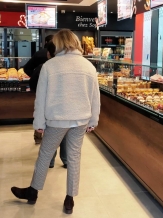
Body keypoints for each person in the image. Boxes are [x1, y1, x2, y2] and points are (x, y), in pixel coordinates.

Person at [11, 29, 100, 215]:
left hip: (57, 119)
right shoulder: (88, 66)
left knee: (45, 155)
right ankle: (70, 200)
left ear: (58, 44)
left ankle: (33, 192)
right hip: (81, 118)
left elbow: (41, 98)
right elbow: (95, 97)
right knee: (74, 158)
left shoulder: (50, 66)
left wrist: (39, 123)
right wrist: (93, 119)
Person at [29, 41, 67, 169]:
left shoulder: (45, 67)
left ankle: (50, 162)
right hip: (65, 108)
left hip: (50, 109)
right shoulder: (68, 66)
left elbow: (33, 83)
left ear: (49, 53)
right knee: (65, 134)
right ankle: (66, 160)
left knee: (51, 136)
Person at [23, 34, 53, 144]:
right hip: (54, 89)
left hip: (40, 88)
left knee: (40, 109)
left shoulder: (39, 53)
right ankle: (50, 137)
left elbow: (27, 68)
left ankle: (38, 137)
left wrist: (36, 76)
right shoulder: (59, 56)